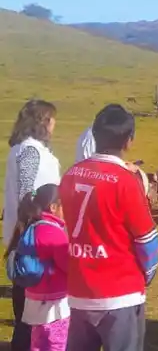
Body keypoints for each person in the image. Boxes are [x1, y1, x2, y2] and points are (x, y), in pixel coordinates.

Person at [60, 104, 158, 351]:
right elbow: (147, 238)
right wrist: (147, 275)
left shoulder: (71, 174)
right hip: (120, 294)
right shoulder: (125, 181)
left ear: (93, 136)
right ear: (129, 141)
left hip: (79, 291)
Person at [4, 100, 61, 351]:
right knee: (32, 319)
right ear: (43, 121)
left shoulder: (24, 149)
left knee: (29, 316)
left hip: (30, 238)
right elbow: (26, 194)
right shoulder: (29, 151)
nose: (54, 125)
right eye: (52, 119)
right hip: (34, 242)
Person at [4, 183, 69, 351]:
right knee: (57, 343)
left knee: (38, 344)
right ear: (54, 207)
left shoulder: (32, 227)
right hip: (53, 304)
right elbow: (69, 266)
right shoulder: (54, 233)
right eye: (65, 205)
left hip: (33, 299)